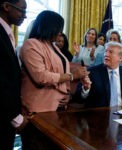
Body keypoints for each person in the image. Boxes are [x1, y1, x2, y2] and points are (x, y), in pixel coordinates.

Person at [19, 10, 88, 149]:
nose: (60, 33)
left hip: (58, 110)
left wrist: (67, 93)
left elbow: (63, 70)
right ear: (49, 26)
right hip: (38, 111)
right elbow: (41, 77)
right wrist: (72, 76)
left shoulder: (54, 46)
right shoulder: (31, 44)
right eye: (59, 29)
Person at [75, 41, 122, 108]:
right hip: (99, 115)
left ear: (120, 58)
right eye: (106, 51)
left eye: (110, 52)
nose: (106, 54)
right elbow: (78, 99)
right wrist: (86, 89)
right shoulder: (91, 72)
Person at [0, 0, 27, 149]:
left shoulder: (7, 32)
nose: (24, 15)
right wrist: (16, 118)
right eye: (22, 10)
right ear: (6, 6)